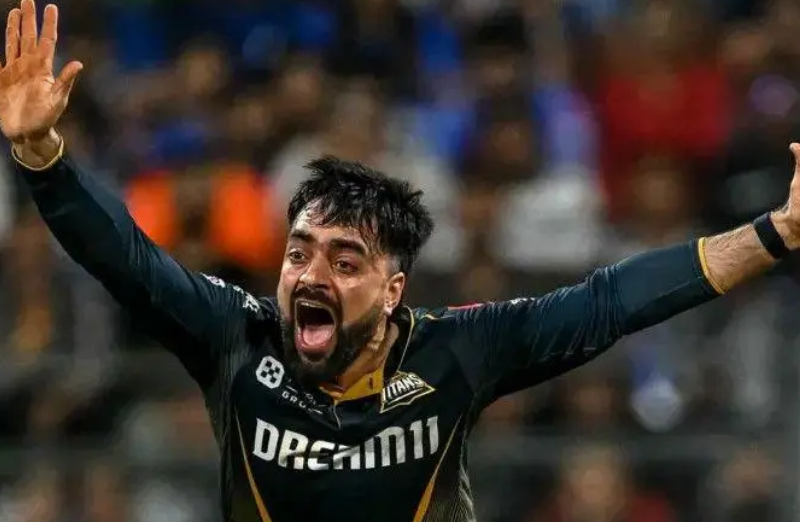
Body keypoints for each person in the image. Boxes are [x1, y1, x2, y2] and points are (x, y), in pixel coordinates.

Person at [1, 2, 799, 522]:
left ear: (393, 290)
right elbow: (127, 259)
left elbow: (614, 299)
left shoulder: (457, 349)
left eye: (344, 261)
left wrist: (775, 232)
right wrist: (42, 153)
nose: (311, 275)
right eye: (299, 253)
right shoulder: (236, 336)